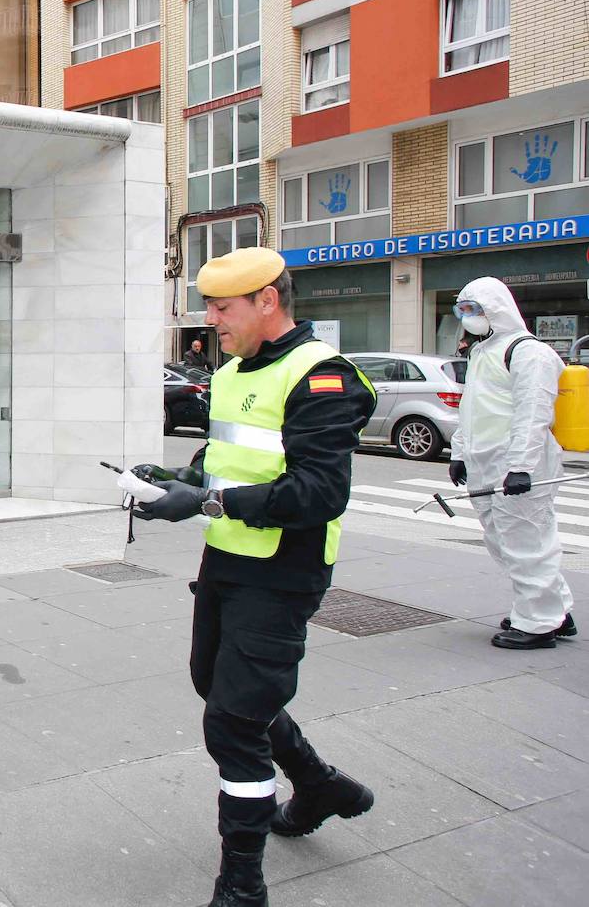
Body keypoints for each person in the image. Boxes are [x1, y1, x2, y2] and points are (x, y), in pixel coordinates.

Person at [131, 247, 377, 907]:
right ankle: (317, 782)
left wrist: (206, 503)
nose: (210, 319)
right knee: (212, 682)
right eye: (209, 306)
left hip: (284, 571)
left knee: (232, 724)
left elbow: (318, 493)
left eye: (222, 307)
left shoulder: (323, 376)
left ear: (267, 301)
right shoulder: (239, 368)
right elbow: (226, 458)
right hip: (229, 559)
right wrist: (176, 482)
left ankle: (242, 883)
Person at [449, 278, 576, 649]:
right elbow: (471, 407)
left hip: (519, 464)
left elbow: (533, 412)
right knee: (503, 543)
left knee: (527, 543)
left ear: (496, 309)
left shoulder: (528, 352)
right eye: (464, 310)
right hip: (485, 462)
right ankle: (553, 609)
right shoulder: (482, 351)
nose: (468, 318)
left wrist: (520, 465)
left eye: (474, 309)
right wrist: (460, 454)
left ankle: (538, 624)